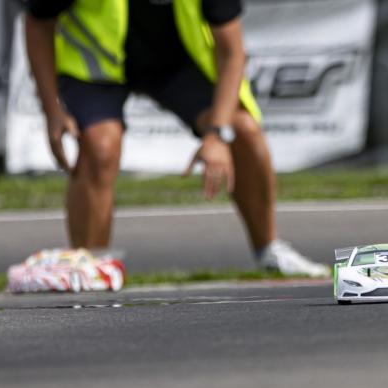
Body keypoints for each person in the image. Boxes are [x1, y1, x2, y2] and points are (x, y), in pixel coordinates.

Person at [24, 0, 329, 277]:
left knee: (243, 129)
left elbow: (232, 53)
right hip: (98, 67)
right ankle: (89, 270)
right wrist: (52, 110)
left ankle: (270, 251)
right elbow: (38, 23)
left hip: (176, 67)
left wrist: (218, 134)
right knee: (100, 144)